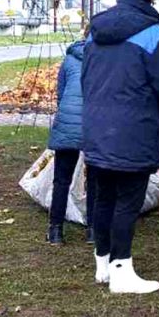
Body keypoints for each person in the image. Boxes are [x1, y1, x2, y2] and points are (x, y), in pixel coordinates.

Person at [82, 0, 159, 294]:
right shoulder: (155, 35)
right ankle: (122, 271)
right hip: (135, 131)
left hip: (97, 129)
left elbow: (85, 78)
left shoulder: (93, 32)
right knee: (127, 202)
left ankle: (102, 264)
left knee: (103, 198)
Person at [45, 39, 99, 245]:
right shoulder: (104, 60)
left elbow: (61, 94)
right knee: (95, 180)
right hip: (94, 125)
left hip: (67, 124)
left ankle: (55, 231)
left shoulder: (69, 59)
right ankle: (93, 230)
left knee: (61, 180)